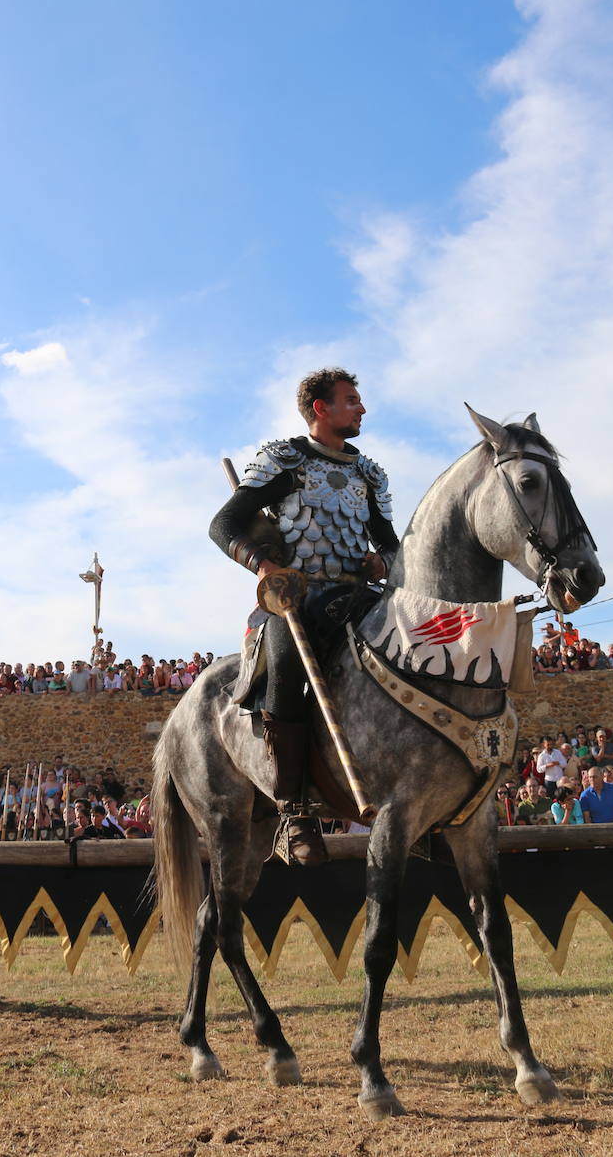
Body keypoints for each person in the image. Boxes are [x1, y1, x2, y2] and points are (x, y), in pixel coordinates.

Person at [209, 367, 398, 867]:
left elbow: (392, 545)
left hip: (360, 595)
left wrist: (385, 563)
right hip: (295, 600)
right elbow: (223, 525)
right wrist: (266, 566)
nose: (361, 408)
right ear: (321, 408)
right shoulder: (285, 461)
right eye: (351, 400)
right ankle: (294, 808)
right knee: (288, 663)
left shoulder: (368, 474)